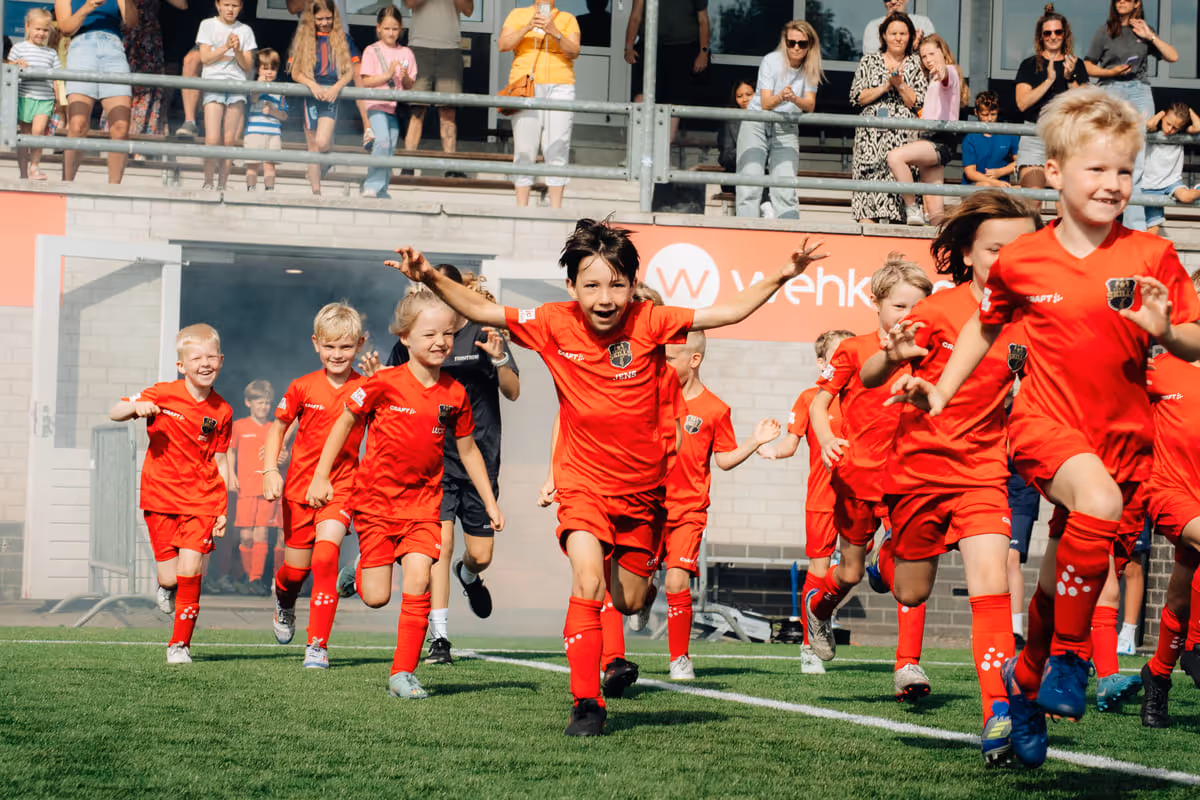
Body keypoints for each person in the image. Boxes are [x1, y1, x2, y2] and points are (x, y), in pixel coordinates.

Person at [387, 221, 827, 735]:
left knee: (631, 599)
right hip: (584, 484)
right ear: (571, 287)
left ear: (633, 287)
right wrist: (431, 278)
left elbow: (727, 311)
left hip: (643, 493)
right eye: (591, 285)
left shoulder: (652, 320)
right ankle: (586, 703)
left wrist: (783, 274)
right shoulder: (552, 321)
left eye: (616, 284)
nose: (605, 297)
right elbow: (483, 309)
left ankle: (618, 619)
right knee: (587, 582)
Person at [891, 86, 1200, 769]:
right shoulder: (1024, 260)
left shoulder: (1151, 254)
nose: (1112, 183)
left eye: (1124, 170)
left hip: (1121, 437)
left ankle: (1024, 683)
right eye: (1096, 169)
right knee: (1098, 504)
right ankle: (1068, 658)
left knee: (1058, 575)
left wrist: (1166, 330)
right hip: (1046, 425)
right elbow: (985, 324)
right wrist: (941, 389)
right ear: (1055, 172)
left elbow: (1194, 339)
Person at [859, 190, 1043, 766]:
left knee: (991, 588)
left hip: (984, 471)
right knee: (912, 589)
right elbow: (868, 375)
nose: (1008, 258)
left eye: (1021, 247)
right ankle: (885, 561)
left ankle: (998, 715)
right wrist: (893, 358)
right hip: (916, 471)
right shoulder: (939, 311)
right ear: (966, 251)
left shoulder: (1035, 317)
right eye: (995, 248)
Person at [308, 288, 504, 700]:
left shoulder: (455, 394)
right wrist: (321, 476)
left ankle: (403, 674)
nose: (440, 342)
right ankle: (358, 569)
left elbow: (468, 449)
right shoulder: (382, 384)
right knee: (377, 597)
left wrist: (489, 500)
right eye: (429, 334)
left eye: (448, 334)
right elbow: (344, 423)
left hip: (424, 505)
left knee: (419, 580)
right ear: (405, 338)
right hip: (376, 505)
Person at [804, 255, 933, 702]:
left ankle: (908, 666)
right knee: (852, 571)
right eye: (899, 306)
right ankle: (819, 609)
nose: (907, 316)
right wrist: (824, 439)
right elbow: (821, 404)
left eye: (916, 307)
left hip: (909, 476)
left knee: (909, 569)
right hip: (857, 476)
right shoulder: (852, 350)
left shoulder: (930, 351)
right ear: (876, 301)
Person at [383, 266, 520, 667]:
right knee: (438, 547)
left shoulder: (482, 330)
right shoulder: (418, 331)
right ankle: (440, 636)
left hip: (479, 458)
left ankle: (471, 576)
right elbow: (393, 389)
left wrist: (498, 361)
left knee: (479, 555)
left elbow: (513, 392)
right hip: (434, 460)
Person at [108, 323, 232, 665]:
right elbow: (113, 411)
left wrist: (222, 508)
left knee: (191, 570)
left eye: (211, 357)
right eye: (196, 358)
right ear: (182, 365)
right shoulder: (162, 393)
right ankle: (165, 587)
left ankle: (179, 646)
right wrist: (137, 408)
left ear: (221, 360)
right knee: (170, 576)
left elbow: (220, 459)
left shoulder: (223, 411)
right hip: (160, 497)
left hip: (202, 500)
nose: (204, 363)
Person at [659, 331, 780, 679]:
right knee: (635, 596)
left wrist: (754, 441)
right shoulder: (651, 398)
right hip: (649, 507)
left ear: (694, 360)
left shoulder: (715, 408)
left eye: (669, 360)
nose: (662, 366)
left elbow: (724, 460)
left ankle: (679, 659)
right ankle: (639, 599)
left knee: (677, 583)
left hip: (688, 511)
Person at [262, 303, 369, 670]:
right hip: (298, 491)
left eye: (345, 347)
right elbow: (278, 427)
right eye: (330, 347)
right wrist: (269, 471)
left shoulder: (367, 387)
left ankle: (317, 647)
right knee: (295, 572)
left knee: (325, 559)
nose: (337, 355)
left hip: (341, 488)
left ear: (360, 344)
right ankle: (284, 599)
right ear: (316, 344)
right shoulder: (302, 386)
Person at [758, 329, 854, 674]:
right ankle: (808, 646)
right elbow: (790, 443)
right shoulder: (810, 398)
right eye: (837, 354)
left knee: (855, 567)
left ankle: (822, 614)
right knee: (818, 570)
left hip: (861, 497)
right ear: (822, 362)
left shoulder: (865, 394)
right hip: (822, 498)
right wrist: (771, 450)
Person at [1141, 270, 1200, 727]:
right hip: (1169, 490)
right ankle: (1198, 649)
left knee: (1180, 598)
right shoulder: (1161, 370)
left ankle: (1157, 675)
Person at [1085, 0, 1179, 231]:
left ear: (1137, 2)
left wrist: (1151, 37)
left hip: (1138, 91)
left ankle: (1134, 228)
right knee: (1105, 154)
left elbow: (1173, 57)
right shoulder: (1105, 30)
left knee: (1135, 161)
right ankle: (1102, 219)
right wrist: (1110, 71)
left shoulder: (1145, 30)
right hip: (1109, 89)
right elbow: (1087, 65)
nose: (1122, 2)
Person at [735, 20, 822, 220]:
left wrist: (793, 98)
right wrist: (782, 96)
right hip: (757, 121)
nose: (797, 47)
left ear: (810, 45)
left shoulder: (811, 67)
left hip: (787, 125)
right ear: (785, 42)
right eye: (792, 43)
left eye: (802, 43)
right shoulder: (771, 60)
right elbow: (765, 103)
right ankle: (744, 234)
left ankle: (788, 239)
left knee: (785, 187)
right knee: (749, 184)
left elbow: (809, 105)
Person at [498, 1, 580, 209]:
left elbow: (574, 51)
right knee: (525, 148)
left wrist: (554, 31)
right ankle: (521, 208)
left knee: (558, 146)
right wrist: (527, 26)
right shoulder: (518, 14)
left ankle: (556, 209)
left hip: (560, 85)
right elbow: (503, 45)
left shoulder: (567, 18)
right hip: (526, 84)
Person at [849, 12, 928, 225]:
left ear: (910, 36)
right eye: (893, 33)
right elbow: (857, 97)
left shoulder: (917, 63)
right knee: (867, 191)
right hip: (870, 137)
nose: (898, 38)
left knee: (900, 197)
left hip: (903, 138)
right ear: (883, 36)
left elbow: (918, 102)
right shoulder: (869, 60)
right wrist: (885, 86)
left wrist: (900, 85)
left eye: (903, 33)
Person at [55, 0, 139, 184]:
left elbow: (132, 22)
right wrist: (88, 6)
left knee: (121, 127)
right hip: (81, 47)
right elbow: (65, 28)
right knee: (77, 125)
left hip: (114, 47)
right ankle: (67, 186)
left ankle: (113, 189)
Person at [885, 34, 963, 227]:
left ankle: (912, 207)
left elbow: (947, 77)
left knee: (895, 157)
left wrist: (942, 70)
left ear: (943, 53)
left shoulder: (950, 71)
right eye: (924, 56)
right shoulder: (932, 78)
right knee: (936, 212)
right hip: (930, 138)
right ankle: (943, 245)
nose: (928, 60)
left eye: (931, 54)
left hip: (940, 140)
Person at [1014, 4, 1087, 210]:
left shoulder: (1077, 65)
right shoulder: (1029, 65)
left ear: (1065, 35)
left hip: (1065, 137)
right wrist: (1048, 81)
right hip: (1034, 135)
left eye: (1058, 32)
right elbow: (1022, 103)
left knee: (1065, 203)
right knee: (1032, 201)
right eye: (1047, 33)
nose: (1053, 36)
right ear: (1041, 37)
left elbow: (1083, 106)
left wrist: (1069, 78)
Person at [288, 0, 360, 196]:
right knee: (312, 146)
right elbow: (295, 73)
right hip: (310, 95)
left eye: (329, 18)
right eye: (320, 19)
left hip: (330, 95)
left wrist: (336, 88)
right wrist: (311, 85)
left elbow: (350, 72)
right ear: (312, 18)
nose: (325, 22)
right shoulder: (304, 38)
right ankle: (316, 192)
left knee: (322, 144)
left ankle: (327, 159)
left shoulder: (343, 38)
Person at [624, 0, 710, 144]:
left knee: (673, 102)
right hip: (649, 46)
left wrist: (703, 53)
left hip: (683, 48)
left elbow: (703, 20)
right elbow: (636, 16)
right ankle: (635, 152)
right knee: (641, 96)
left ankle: (663, 155)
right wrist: (628, 47)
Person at [403, 0, 472, 175]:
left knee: (448, 111)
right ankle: (408, 165)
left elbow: (469, 10)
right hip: (419, 46)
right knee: (417, 109)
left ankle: (451, 167)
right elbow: (409, 3)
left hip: (450, 48)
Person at [228, 380, 282, 595]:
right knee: (246, 537)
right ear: (248, 402)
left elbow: (282, 452)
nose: (263, 407)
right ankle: (246, 576)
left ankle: (255, 580)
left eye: (267, 403)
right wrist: (231, 474)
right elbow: (230, 451)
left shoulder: (274, 428)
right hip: (245, 489)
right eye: (259, 403)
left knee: (261, 534)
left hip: (266, 490)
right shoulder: (239, 426)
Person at [196, 0, 256, 191]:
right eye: (227, 4)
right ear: (218, 5)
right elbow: (205, 58)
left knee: (229, 140)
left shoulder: (245, 30)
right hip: (214, 83)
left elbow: (247, 65)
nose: (230, 9)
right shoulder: (207, 24)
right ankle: (208, 181)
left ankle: (223, 183)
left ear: (241, 7)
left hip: (237, 86)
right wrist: (226, 47)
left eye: (235, 5)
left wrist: (237, 50)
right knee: (212, 138)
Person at [359, 7, 418, 199]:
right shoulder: (371, 50)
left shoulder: (407, 53)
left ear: (401, 29)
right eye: (386, 28)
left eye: (394, 28)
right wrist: (387, 75)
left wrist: (405, 76)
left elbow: (410, 85)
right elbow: (366, 81)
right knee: (382, 142)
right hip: (376, 105)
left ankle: (382, 189)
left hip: (396, 108)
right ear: (378, 28)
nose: (391, 33)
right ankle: (371, 185)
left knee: (390, 147)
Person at [7, 9, 63, 181]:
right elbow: (9, 69)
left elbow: (57, 79)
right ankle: (23, 172)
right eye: (37, 29)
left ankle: (35, 166)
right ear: (27, 27)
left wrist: (59, 101)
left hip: (45, 99)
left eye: (45, 30)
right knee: (24, 136)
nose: (41, 33)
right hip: (25, 97)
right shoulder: (18, 48)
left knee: (38, 132)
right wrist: (16, 65)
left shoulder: (51, 53)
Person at [1142, 104, 1200, 235]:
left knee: (1186, 197)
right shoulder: (1154, 131)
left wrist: (1190, 110)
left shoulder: (1181, 134)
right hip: (1149, 184)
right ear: (1163, 118)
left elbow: (1198, 127)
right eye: (1168, 123)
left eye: (1175, 128)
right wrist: (1160, 114)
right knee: (1153, 229)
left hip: (1171, 182)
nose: (1169, 130)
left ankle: (1197, 190)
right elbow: (1149, 124)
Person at [1007, 456, 1040, 648]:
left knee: (1012, 558)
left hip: (1022, 495)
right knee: (995, 559)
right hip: (995, 491)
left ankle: (1016, 629)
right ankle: (995, 625)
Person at [244, 48, 287, 192]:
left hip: (274, 133)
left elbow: (284, 115)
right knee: (253, 164)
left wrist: (274, 112)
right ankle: (251, 189)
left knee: (270, 165)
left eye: (273, 69)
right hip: (254, 132)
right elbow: (253, 98)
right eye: (265, 68)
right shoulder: (254, 86)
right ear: (258, 69)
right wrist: (258, 84)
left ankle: (269, 190)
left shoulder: (280, 90)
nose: (269, 72)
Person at [961, 91, 1018, 188]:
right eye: (985, 115)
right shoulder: (970, 138)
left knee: (1024, 189)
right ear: (976, 113)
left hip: (1002, 185)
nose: (990, 119)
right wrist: (995, 182)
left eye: (993, 114)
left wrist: (999, 172)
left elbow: (1019, 161)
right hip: (977, 185)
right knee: (985, 185)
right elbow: (970, 172)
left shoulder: (1008, 133)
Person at [1117, 515, 1150, 655]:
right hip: (1099, 498)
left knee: (1131, 563)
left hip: (1134, 500)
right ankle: (1099, 629)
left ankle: (1127, 636)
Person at [717, 80, 754, 195]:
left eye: (749, 94)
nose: (744, 99)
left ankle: (765, 206)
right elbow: (725, 157)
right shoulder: (730, 121)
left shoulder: (767, 118)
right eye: (739, 96)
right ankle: (766, 206)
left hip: (761, 171)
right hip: (736, 170)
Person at [862, 0, 933, 56]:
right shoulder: (873, 27)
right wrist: (910, 47)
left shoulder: (923, 23)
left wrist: (920, 46)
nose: (893, 1)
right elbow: (871, 61)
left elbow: (933, 55)